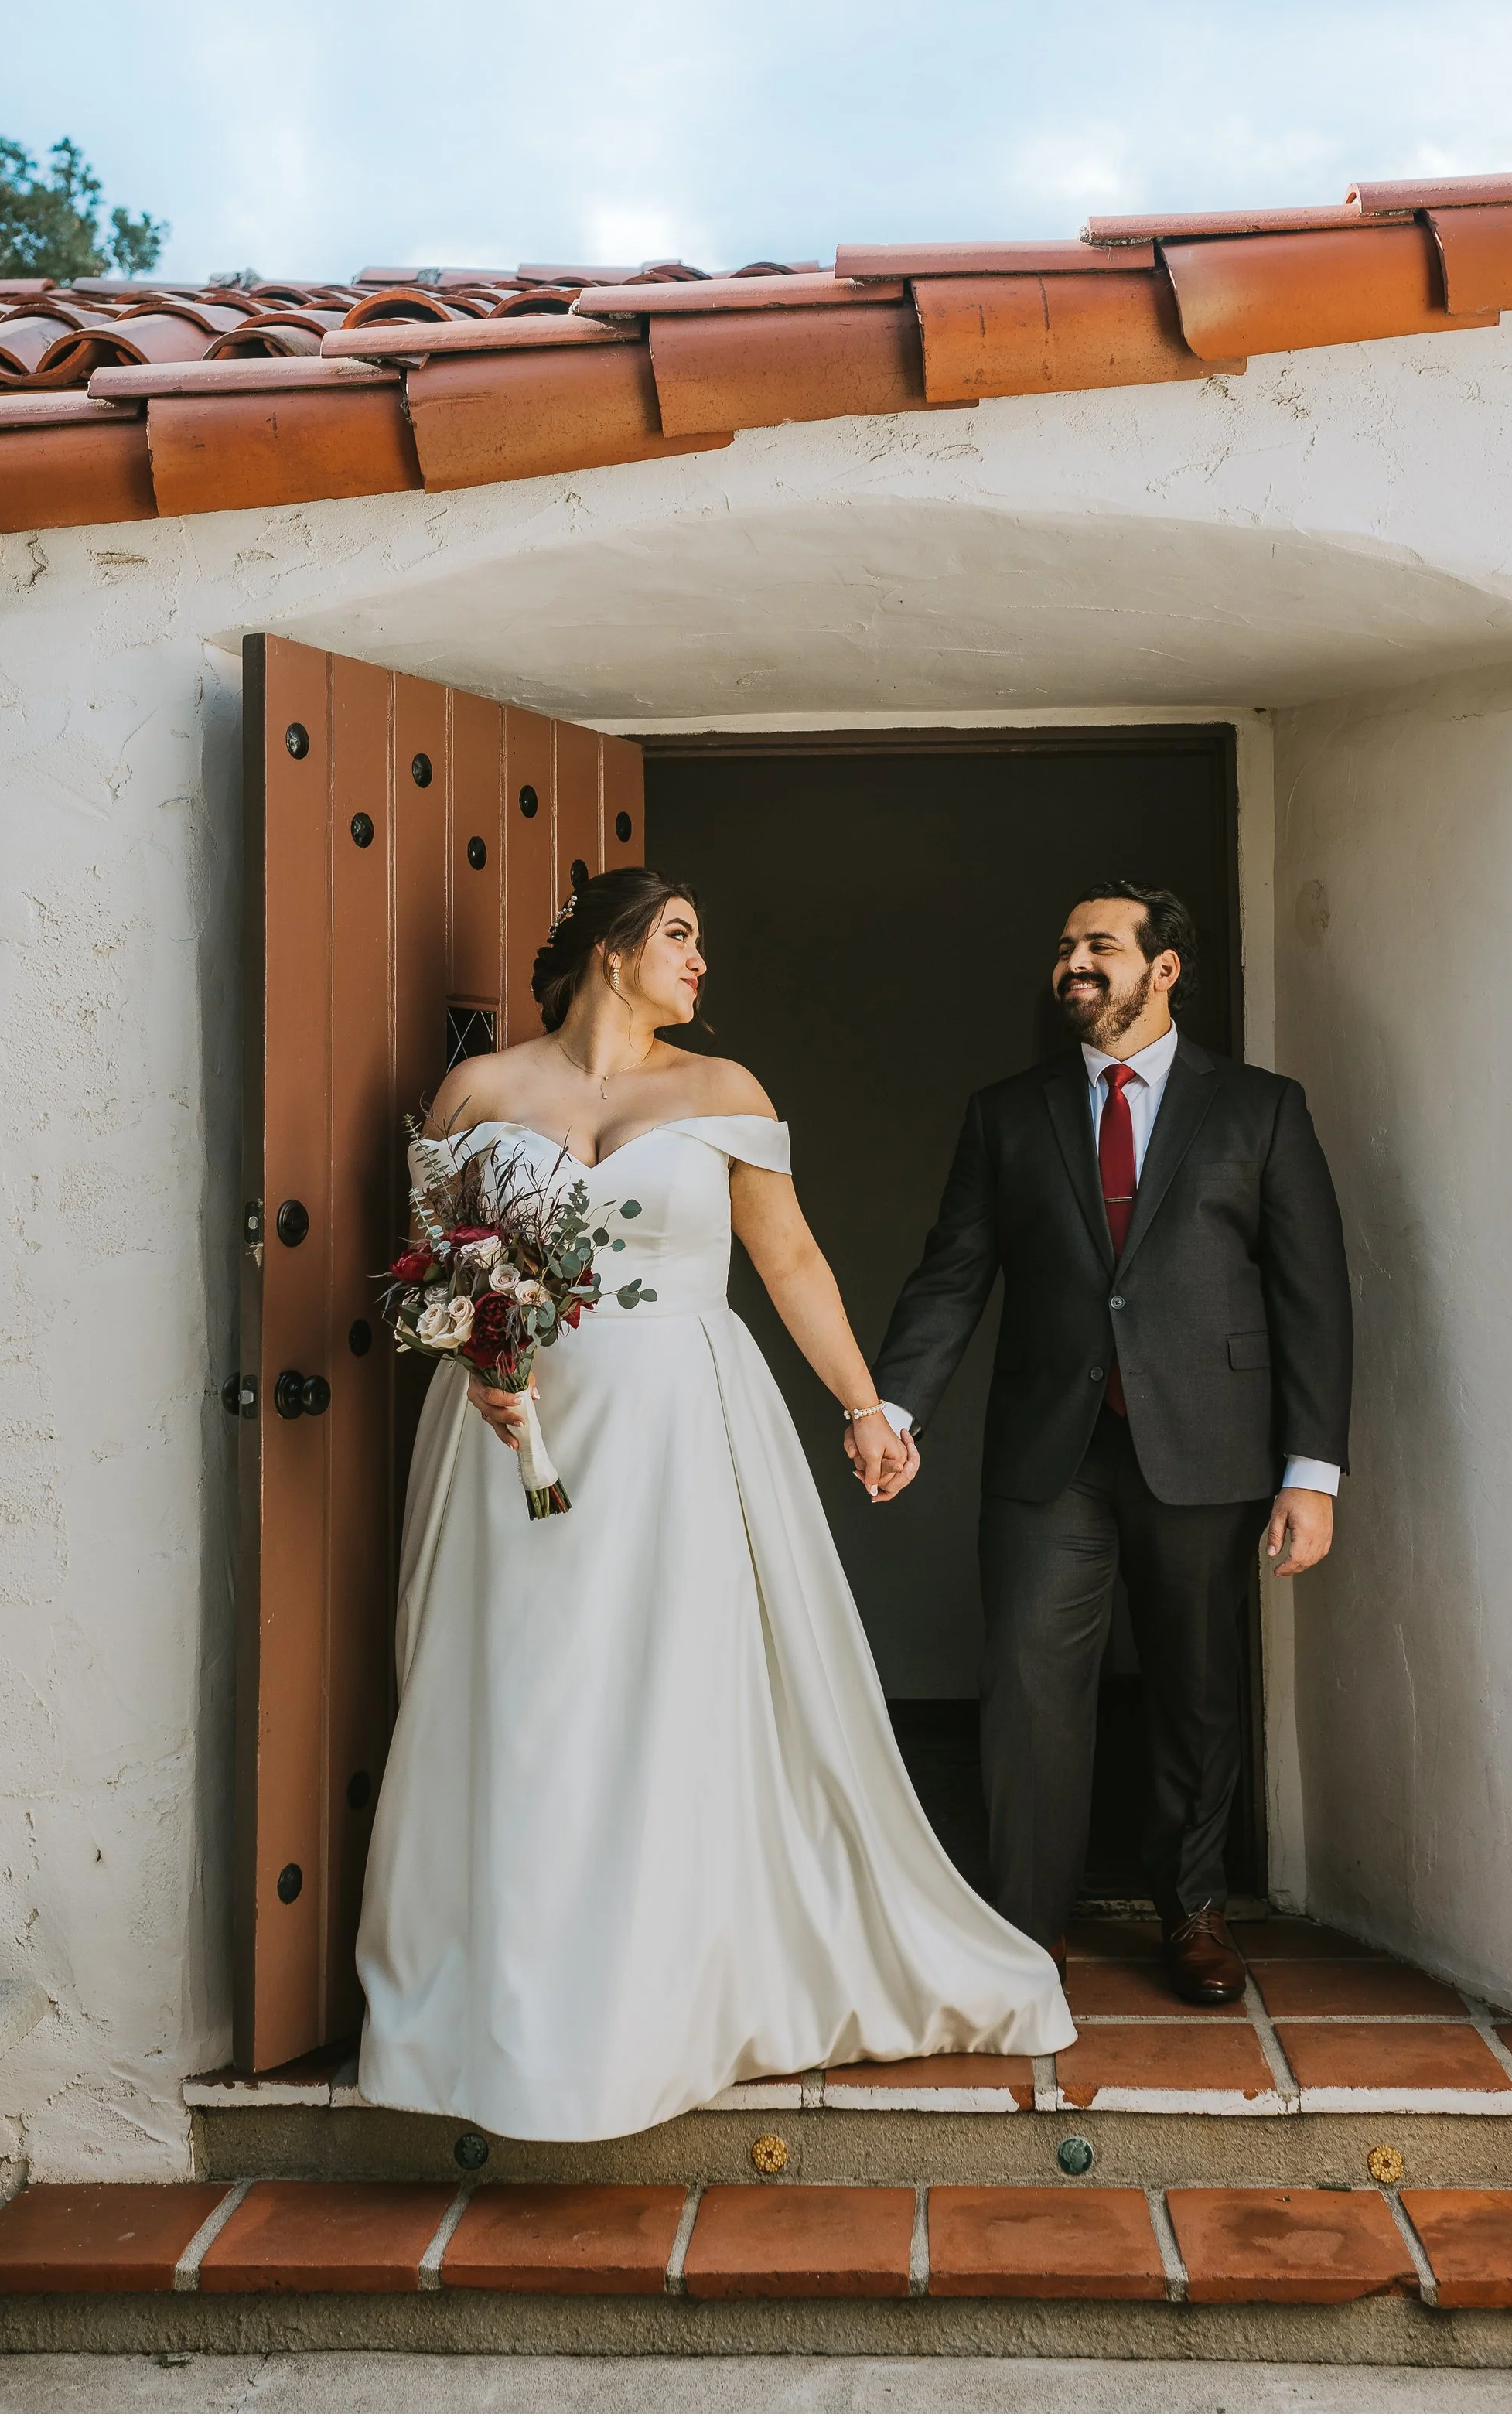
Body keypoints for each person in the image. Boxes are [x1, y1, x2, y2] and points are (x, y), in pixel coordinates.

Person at [355, 866, 1072, 2139]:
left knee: (661, 1692)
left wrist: (863, 1402)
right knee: (522, 1696)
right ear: (609, 948)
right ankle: (510, 1986)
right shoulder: (476, 1094)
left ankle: (665, 1986)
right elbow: (424, 1271)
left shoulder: (723, 1090)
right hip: (513, 1428)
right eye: (681, 936)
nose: (701, 963)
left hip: (678, 1425)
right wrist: (480, 1369)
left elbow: (787, 1256)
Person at [871, 883, 1351, 2008]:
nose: (1073, 962)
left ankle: (1191, 1911)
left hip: (1211, 1453)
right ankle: (1023, 1934)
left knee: (1196, 1690)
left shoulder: (1262, 1110)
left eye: (1099, 944)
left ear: (1163, 967)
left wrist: (1312, 1472)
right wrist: (892, 1407)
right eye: (1064, 945)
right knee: (1030, 1687)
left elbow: (1313, 1299)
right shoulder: (1007, 1113)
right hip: (1054, 1455)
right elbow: (952, 1275)